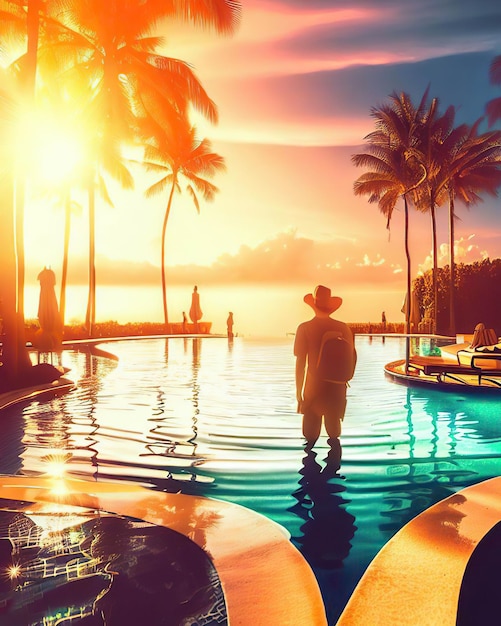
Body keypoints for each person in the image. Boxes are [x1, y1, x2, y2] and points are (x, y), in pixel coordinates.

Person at [294, 285, 357, 448]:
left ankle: (310, 471)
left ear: (314, 305)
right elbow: (351, 357)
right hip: (337, 387)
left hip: (313, 387)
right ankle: (334, 469)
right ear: (331, 307)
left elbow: (301, 362)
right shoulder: (343, 328)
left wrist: (298, 391)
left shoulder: (305, 328)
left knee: (310, 437)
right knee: (334, 435)